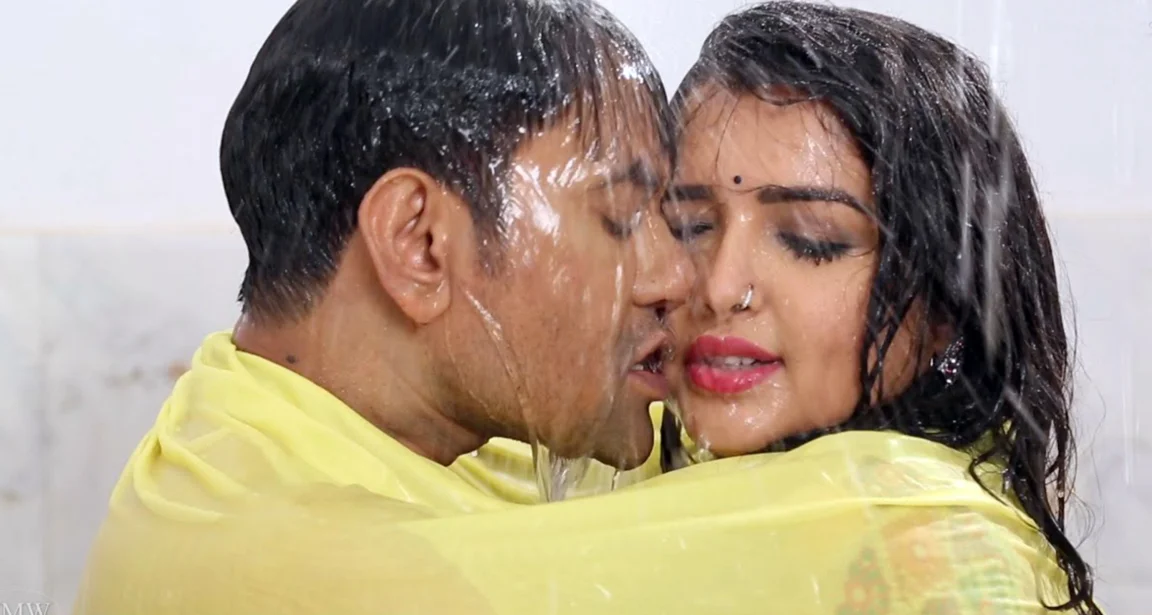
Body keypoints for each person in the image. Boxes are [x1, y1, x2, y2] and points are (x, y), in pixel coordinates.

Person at [74, 0, 690, 611]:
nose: (677, 277)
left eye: (677, 219)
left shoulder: (242, 429)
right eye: (620, 215)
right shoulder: (314, 573)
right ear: (418, 243)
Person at [659, 2, 1101, 613]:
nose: (718, 287)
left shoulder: (953, 577)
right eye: (688, 227)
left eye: (812, 240)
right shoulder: (597, 481)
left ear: (947, 302)